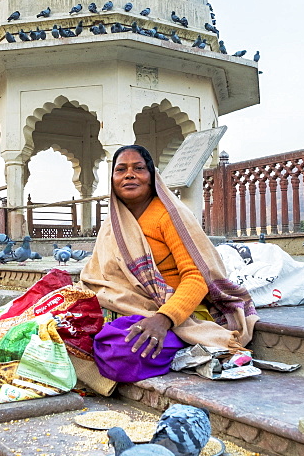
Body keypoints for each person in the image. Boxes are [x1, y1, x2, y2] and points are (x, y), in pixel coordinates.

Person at [80, 144, 257, 367]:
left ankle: (189, 344)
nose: (129, 175)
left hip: (173, 311)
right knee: (57, 324)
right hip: (121, 306)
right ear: (112, 179)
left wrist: (163, 320)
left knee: (120, 353)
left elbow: (196, 277)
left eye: (138, 168)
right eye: (121, 169)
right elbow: (99, 276)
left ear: (152, 176)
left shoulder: (170, 216)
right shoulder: (112, 224)